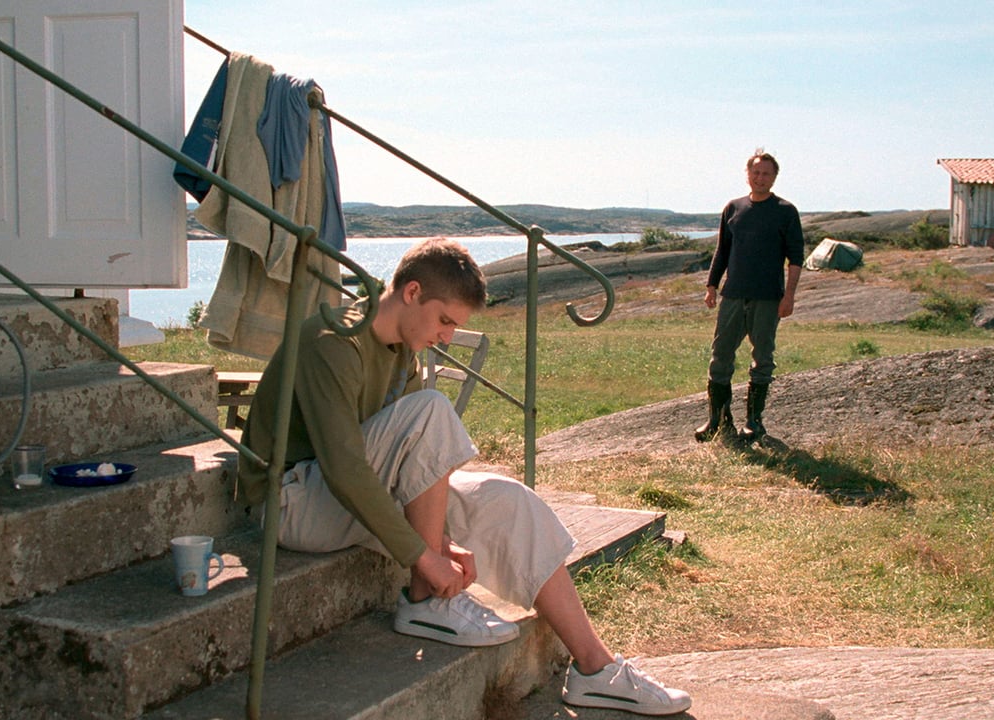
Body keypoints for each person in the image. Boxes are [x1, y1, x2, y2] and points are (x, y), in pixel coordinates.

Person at [239, 238, 691, 716]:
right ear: (412, 292)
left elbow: (408, 467)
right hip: (289, 502)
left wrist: (443, 541)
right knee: (432, 410)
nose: (448, 337)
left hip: (341, 497)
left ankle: (596, 670)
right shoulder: (335, 339)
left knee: (508, 500)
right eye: (445, 320)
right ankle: (425, 602)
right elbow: (346, 471)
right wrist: (426, 558)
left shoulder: (402, 350)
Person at [695, 150, 804, 444]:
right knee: (720, 357)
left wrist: (789, 296)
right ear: (747, 175)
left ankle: (754, 422)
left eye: (766, 173)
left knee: (762, 358)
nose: (760, 178)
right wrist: (711, 285)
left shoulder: (785, 211)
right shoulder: (733, 208)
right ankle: (718, 421)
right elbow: (722, 250)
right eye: (756, 172)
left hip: (768, 298)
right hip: (733, 295)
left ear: (774, 177)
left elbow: (796, 258)